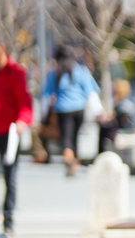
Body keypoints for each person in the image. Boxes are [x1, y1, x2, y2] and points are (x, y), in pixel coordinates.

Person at [0, 36, 33, 233]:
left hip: (9, 132)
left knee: (10, 176)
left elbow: (25, 103)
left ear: (2, 47)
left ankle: (8, 219)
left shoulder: (16, 72)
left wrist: (22, 121)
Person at [43, 45, 100, 177]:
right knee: (75, 136)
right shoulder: (81, 71)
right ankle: (75, 161)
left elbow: (46, 95)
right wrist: (98, 111)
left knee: (66, 138)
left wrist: (44, 113)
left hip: (63, 109)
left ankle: (70, 160)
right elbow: (91, 93)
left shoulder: (55, 73)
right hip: (80, 108)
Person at [96, 79, 135, 154]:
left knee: (104, 128)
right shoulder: (123, 103)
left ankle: (101, 153)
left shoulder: (124, 105)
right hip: (124, 132)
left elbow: (126, 121)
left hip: (126, 133)